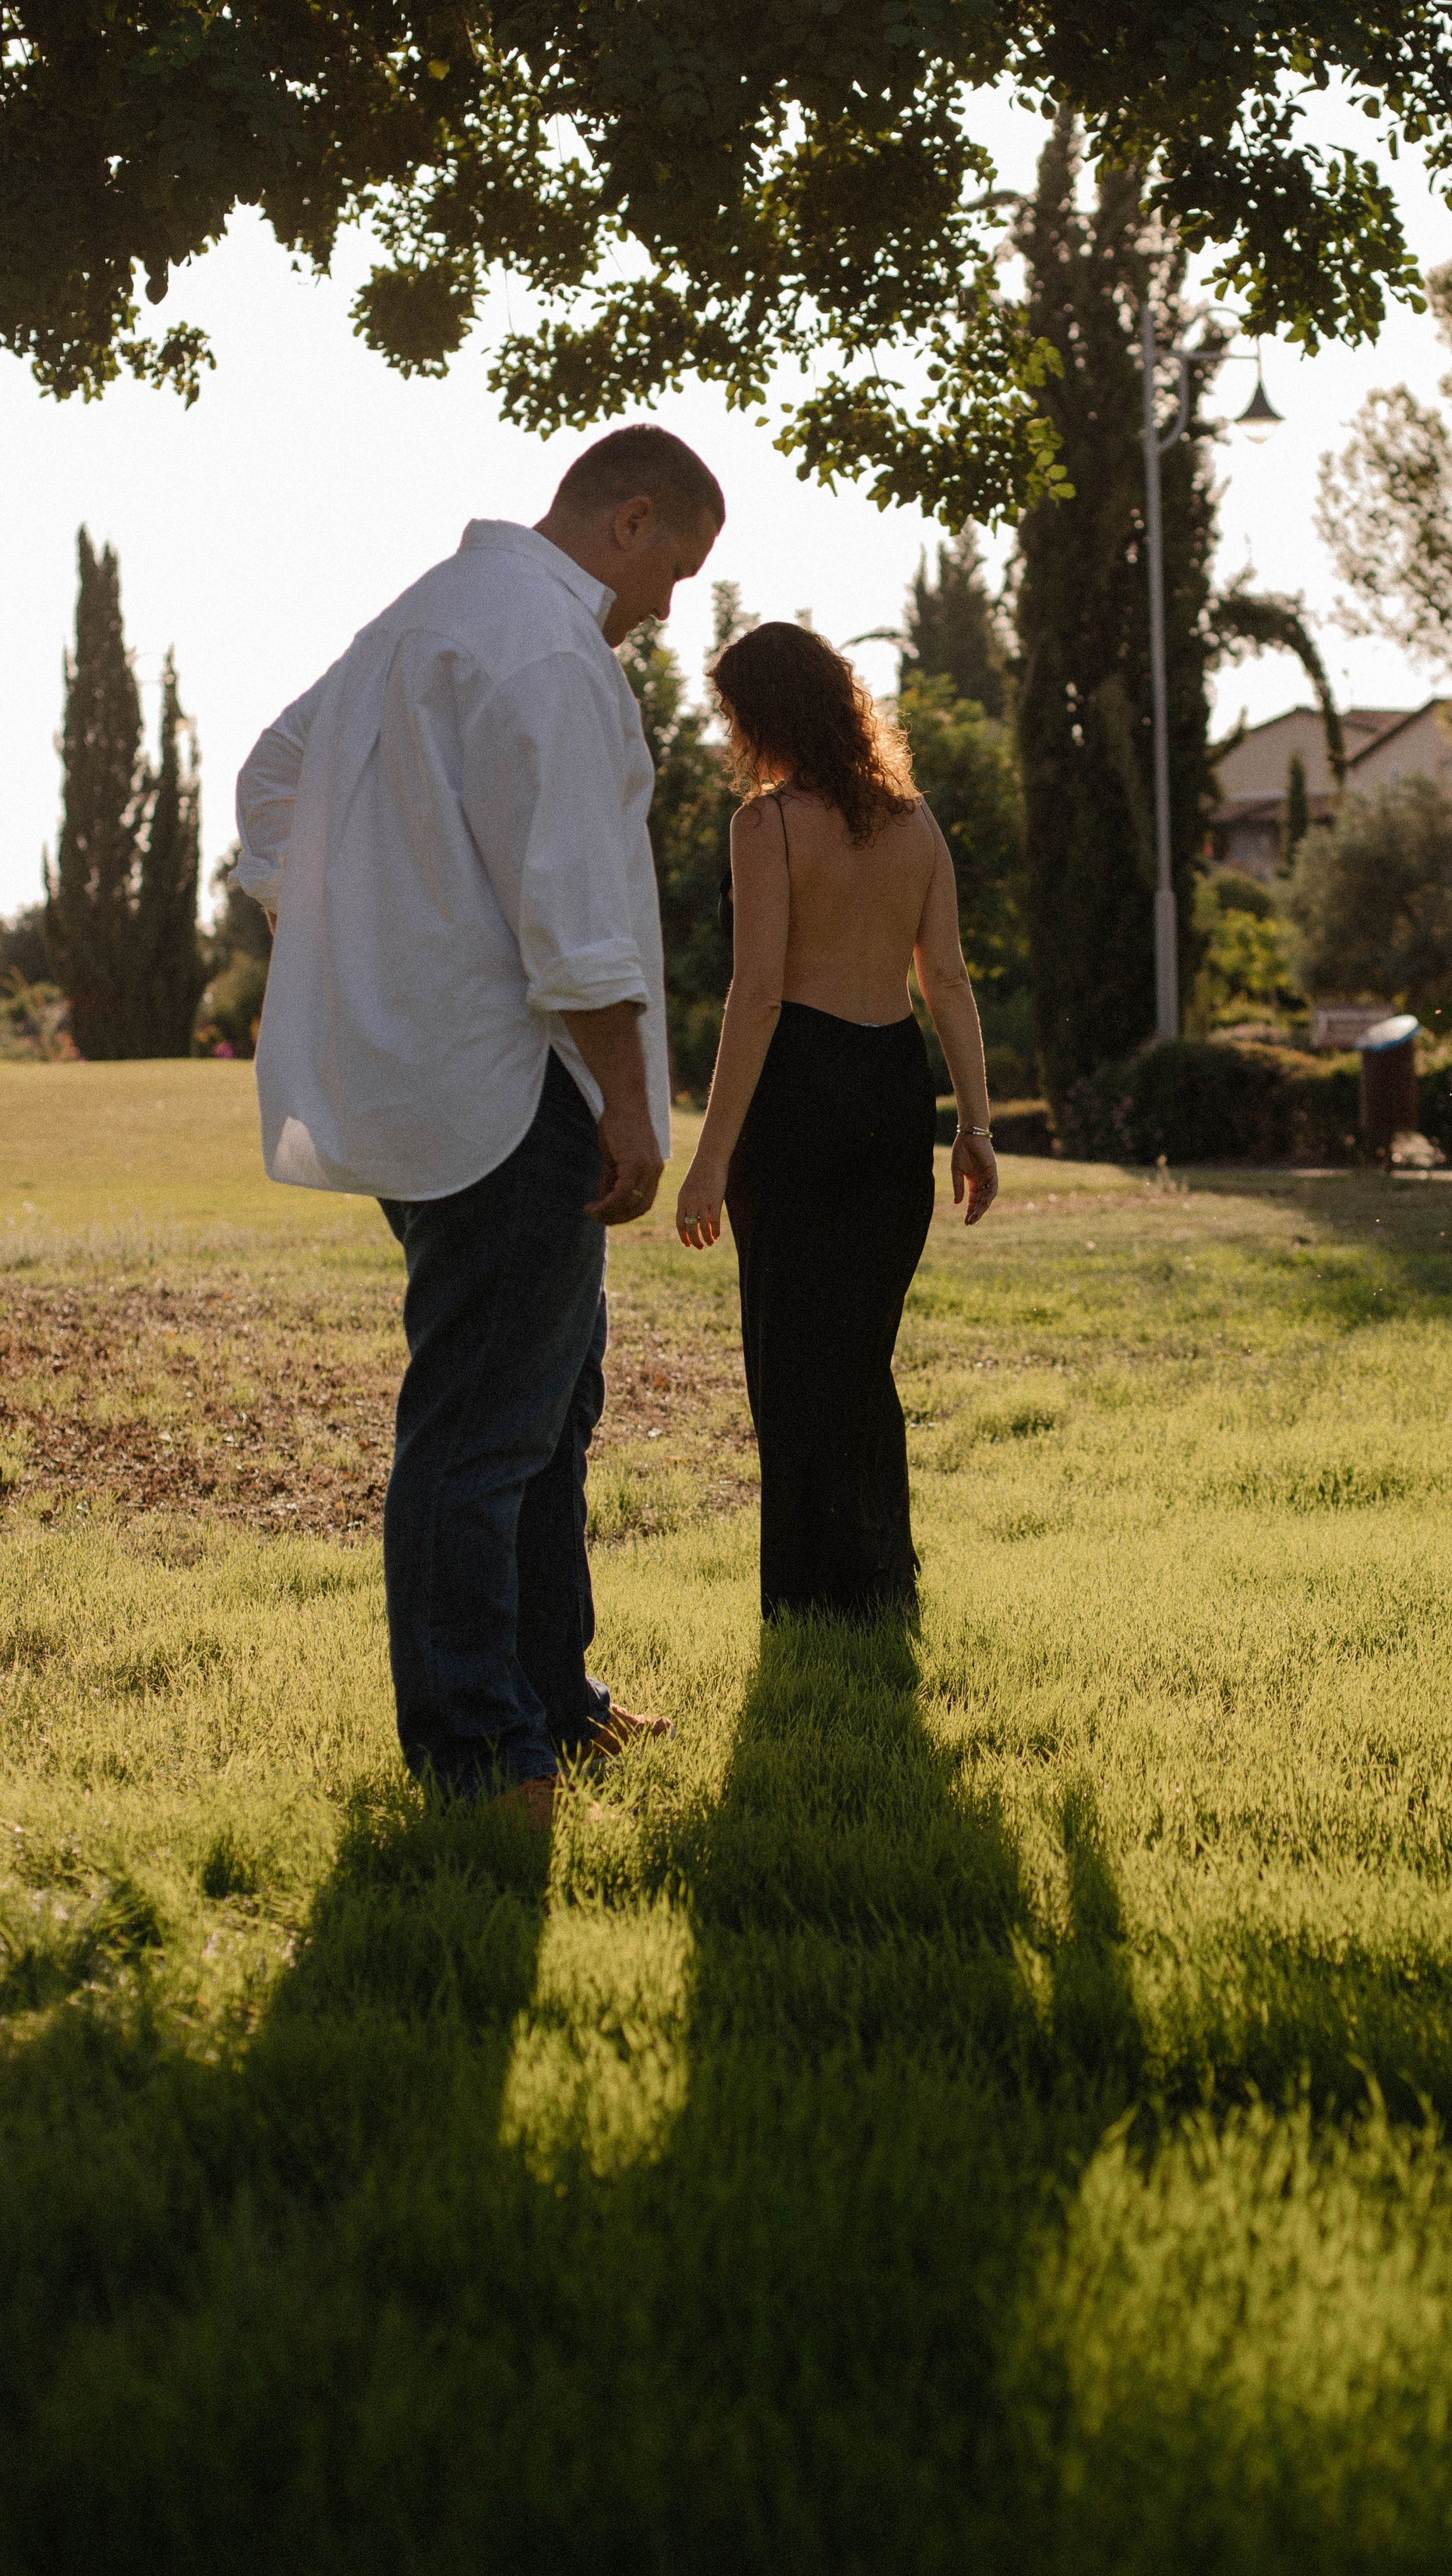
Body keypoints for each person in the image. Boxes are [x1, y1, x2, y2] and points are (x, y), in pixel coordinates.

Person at [231, 422, 723, 1829]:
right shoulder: (549, 648)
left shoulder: (423, 617)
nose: (667, 608)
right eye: (674, 569)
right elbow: (574, 914)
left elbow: (272, 783)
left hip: (434, 1075)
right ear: (628, 521)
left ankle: (552, 1700)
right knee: (481, 1427)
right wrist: (634, 1108)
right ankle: (475, 1753)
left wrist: (367, 931)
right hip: (520, 1096)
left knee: (550, 1405)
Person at [674, 621, 998, 1619]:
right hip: (893, 1087)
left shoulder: (765, 825)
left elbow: (758, 994)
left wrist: (709, 1158)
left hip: (800, 1091)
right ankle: (878, 1587)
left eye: (732, 714)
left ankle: (808, 1600)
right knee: (860, 1352)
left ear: (764, 714)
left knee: (789, 1353)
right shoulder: (914, 821)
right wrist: (975, 1126)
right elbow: (943, 978)